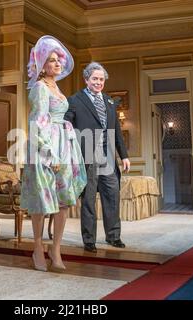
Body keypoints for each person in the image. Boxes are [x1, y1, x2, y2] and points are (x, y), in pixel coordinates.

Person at [21, 35, 87, 272]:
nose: (57, 63)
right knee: (42, 201)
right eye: (51, 60)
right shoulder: (40, 87)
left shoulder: (56, 86)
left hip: (65, 145)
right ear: (41, 65)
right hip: (45, 148)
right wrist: (49, 154)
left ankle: (55, 248)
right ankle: (38, 246)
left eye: (58, 60)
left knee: (63, 201)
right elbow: (36, 122)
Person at [64, 62, 131, 253]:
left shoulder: (109, 102)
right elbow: (67, 123)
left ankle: (113, 236)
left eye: (101, 79)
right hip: (87, 155)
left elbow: (117, 131)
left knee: (112, 195)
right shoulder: (75, 100)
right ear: (87, 79)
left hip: (108, 156)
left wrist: (124, 156)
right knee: (89, 199)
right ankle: (89, 240)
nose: (98, 82)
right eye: (95, 79)